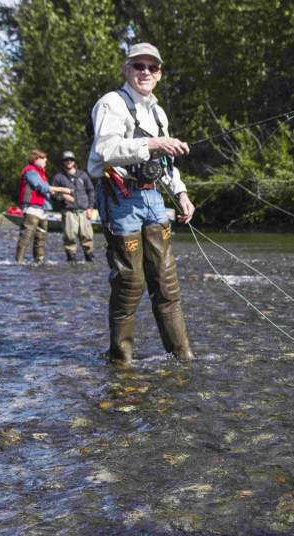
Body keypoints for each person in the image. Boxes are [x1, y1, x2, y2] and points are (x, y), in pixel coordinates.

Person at [88, 42, 195, 365]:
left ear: (160, 74)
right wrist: (152, 143)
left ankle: (182, 357)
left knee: (166, 282)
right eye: (139, 66)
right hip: (119, 196)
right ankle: (121, 360)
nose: (145, 72)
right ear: (126, 69)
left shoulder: (158, 111)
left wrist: (181, 194)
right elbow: (105, 151)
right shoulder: (111, 103)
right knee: (130, 281)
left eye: (152, 67)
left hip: (153, 197)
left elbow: (166, 164)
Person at [15, 149, 71, 264]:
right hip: (32, 208)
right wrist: (62, 189)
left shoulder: (40, 172)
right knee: (26, 236)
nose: (46, 160)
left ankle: (39, 261)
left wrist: (61, 195)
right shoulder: (30, 171)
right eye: (43, 158)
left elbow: (47, 191)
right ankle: (19, 261)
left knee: (41, 237)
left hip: (42, 209)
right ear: (35, 159)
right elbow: (41, 187)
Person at [51, 150, 96, 262]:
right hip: (68, 211)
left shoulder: (83, 175)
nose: (69, 162)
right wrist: (62, 196)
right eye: (66, 160)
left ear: (74, 161)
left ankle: (89, 257)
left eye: (71, 159)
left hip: (84, 211)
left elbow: (91, 191)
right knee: (69, 237)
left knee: (87, 236)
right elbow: (53, 194)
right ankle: (71, 258)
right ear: (63, 162)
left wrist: (90, 208)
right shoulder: (58, 177)